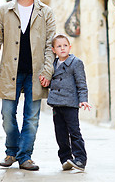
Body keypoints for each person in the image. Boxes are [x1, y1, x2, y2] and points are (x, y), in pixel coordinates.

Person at [0, 0, 56, 171]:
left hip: (36, 73)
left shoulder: (46, 12)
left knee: (31, 118)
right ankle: (12, 151)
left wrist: (47, 71)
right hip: (10, 72)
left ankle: (25, 157)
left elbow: (50, 44)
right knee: (7, 114)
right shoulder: (4, 11)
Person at [46, 34, 91, 171]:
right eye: (59, 46)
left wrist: (83, 99)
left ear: (70, 47)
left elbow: (81, 83)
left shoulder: (76, 63)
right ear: (53, 50)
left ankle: (80, 159)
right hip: (56, 104)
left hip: (70, 104)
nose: (62, 48)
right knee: (60, 133)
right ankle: (66, 158)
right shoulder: (52, 64)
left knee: (74, 132)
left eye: (65, 45)